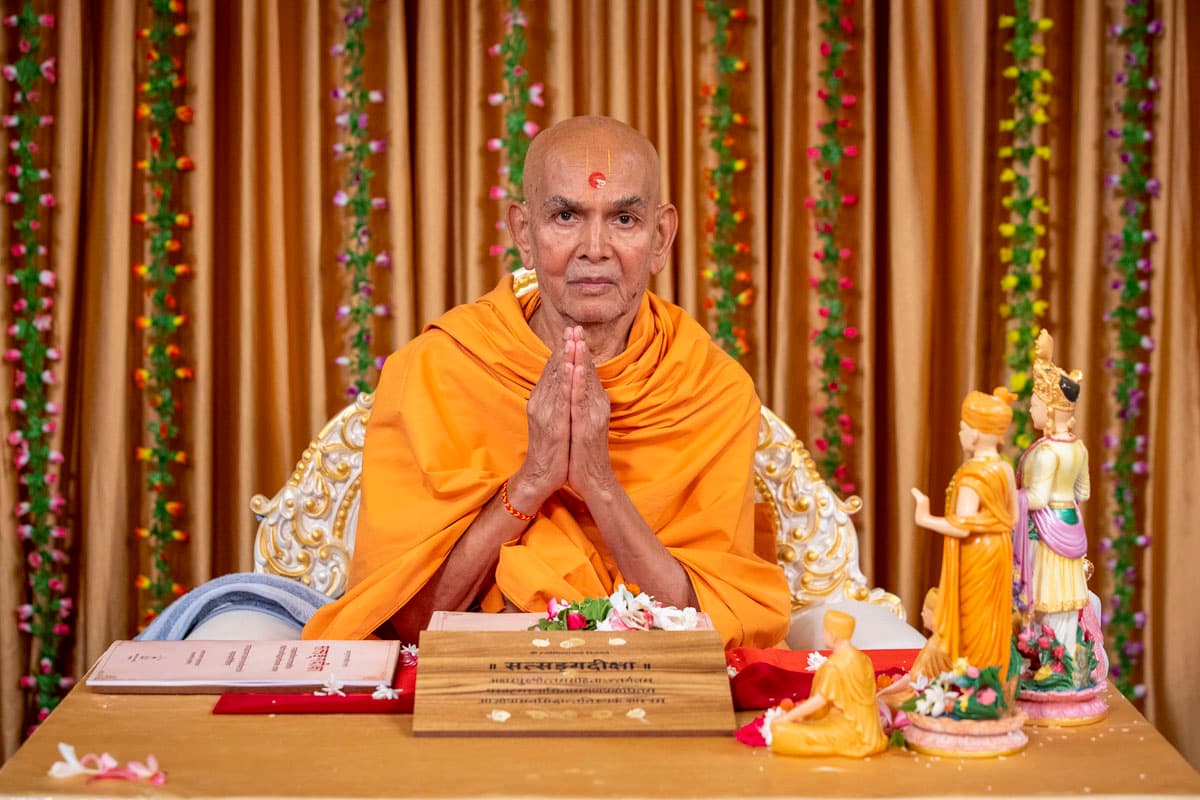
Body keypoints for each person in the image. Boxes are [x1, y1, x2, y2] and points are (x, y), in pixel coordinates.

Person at [303, 116, 791, 649]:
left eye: (624, 218)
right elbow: (405, 623)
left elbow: (707, 627)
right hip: (476, 689)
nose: (595, 248)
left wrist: (599, 483)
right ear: (523, 233)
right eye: (565, 216)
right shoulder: (440, 370)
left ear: (661, 237)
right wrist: (533, 479)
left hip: (651, 694)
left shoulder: (708, 391)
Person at [911, 388, 1017, 678]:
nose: (960, 433)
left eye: (963, 428)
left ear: (977, 433)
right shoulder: (1005, 469)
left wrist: (925, 517)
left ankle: (974, 684)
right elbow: (1013, 517)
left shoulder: (972, 475)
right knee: (992, 617)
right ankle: (991, 681)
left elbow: (961, 526)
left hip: (977, 554)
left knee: (974, 619)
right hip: (1000, 549)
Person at [1015, 329, 1092, 656]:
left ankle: (1052, 663)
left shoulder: (1046, 453)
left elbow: (1036, 500)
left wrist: (1009, 494)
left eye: (1034, 403)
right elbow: (1083, 493)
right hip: (1070, 526)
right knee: (1063, 603)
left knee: (1046, 600)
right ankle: (1061, 661)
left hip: (1046, 536)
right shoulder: (1078, 448)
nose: (1030, 409)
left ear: (1048, 410)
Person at [770, 610, 887, 758]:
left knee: (781, 731)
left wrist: (786, 718)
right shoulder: (864, 659)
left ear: (833, 635)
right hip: (871, 731)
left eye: (825, 631)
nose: (823, 635)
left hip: (848, 730)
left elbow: (820, 700)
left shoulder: (835, 665)